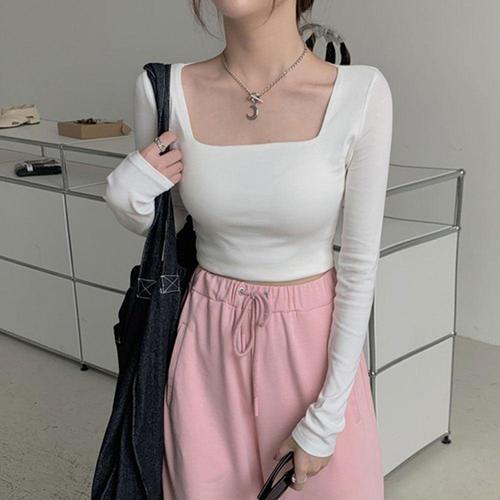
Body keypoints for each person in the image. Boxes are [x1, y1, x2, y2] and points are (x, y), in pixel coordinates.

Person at [104, 1, 393, 498]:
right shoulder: (164, 91)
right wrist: (126, 198)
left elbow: (360, 266)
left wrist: (328, 415)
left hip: (311, 354)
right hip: (206, 347)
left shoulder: (361, 93)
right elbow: (168, 232)